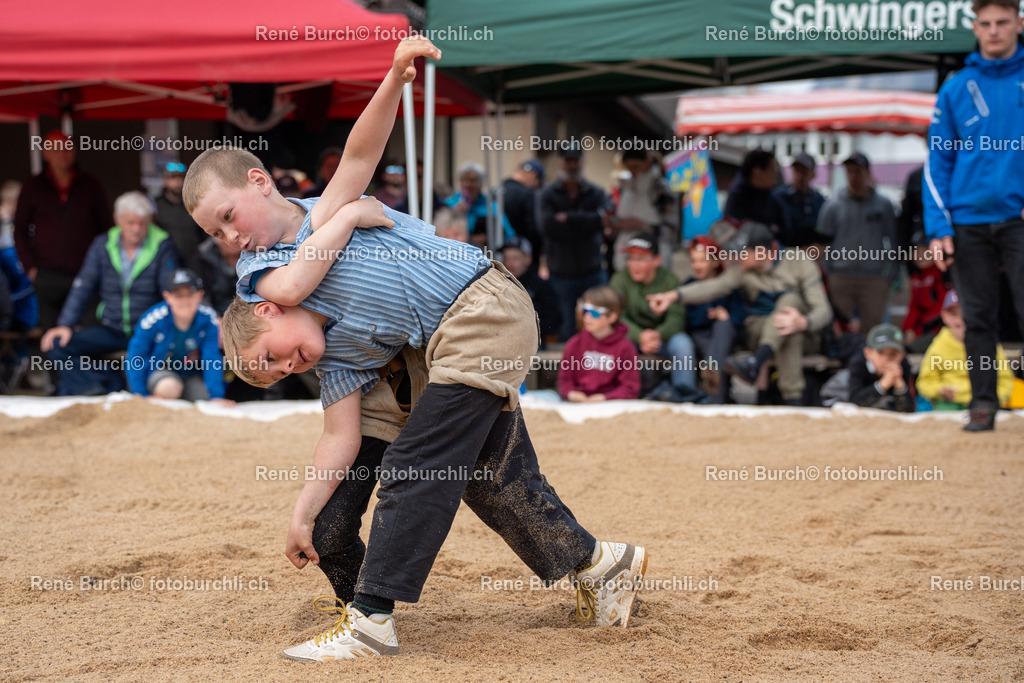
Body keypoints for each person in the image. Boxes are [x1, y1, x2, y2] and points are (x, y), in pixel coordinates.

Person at [185, 37, 647, 661]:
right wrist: (304, 513)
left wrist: (395, 79)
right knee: (487, 477)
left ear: (260, 182)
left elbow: (360, 149)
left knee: (415, 467)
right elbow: (335, 431)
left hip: (480, 308)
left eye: (228, 217)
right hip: (436, 344)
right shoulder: (270, 276)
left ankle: (371, 622)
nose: (230, 237)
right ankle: (601, 566)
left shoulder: (321, 212)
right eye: (216, 233)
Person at [923, 0, 1024, 432]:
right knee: (977, 317)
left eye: (1003, 22)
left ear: (1019, 23)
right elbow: (936, 161)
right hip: (967, 222)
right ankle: (983, 402)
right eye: (985, 23)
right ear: (975, 28)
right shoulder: (955, 88)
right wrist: (938, 226)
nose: (994, 30)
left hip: (1018, 219)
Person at [647, 222, 832, 406]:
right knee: (786, 326)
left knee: (790, 305)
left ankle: (757, 362)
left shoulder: (798, 261)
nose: (736, 257)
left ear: (762, 252)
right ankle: (793, 401)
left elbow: (823, 311)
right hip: (758, 333)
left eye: (742, 252)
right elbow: (713, 287)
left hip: (805, 332)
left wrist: (803, 323)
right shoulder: (742, 270)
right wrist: (673, 296)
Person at [41, 191, 179, 396]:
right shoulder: (102, 244)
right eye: (130, 223)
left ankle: (107, 385)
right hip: (111, 328)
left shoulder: (162, 245)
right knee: (57, 344)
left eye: (142, 223)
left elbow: (169, 290)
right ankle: (95, 388)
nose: (137, 229)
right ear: (117, 220)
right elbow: (84, 286)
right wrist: (65, 324)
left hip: (147, 330)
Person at [14, 131, 111, 330]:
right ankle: (55, 363)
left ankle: (84, 363)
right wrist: (31, 268)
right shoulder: (33, 186)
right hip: (47, 274)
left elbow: (106, 229)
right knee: (50, 333)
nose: (62, 153)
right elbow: (20, 231)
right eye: (56, 149)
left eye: (67, 148)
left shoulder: (90, 185)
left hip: (86, 272)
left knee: (88, 330)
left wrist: (101, 265)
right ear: (45, 154)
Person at [816, 152, 899, 334]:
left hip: (874, 276)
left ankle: (870, 362)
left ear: (867, 173)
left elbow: (893, 240)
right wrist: (827, 272)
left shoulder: (883, 205)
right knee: (839, 328)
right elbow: (823, 243)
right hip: (841, 275)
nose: (853, 177)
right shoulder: (833, 206)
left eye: (858, 172)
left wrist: (891, 273)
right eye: (849, 172)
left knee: (873, 330)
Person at [608, 234, 696, 400]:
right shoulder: (619, 279)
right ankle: (625, 394)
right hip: (631, 338)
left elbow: (677, 317)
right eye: (631, 259)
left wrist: (657, 335)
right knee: (621, 344)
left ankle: (686, 395)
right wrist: (639, 335)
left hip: (662, 339)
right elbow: (617, 317)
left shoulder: (669, 280)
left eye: (641, 259)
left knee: (683, 343)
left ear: (657, 260)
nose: (633, 264)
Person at [126, 268, 231, 403]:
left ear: (200, 295)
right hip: (161, 373)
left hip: (191, 374)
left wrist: (217, 396)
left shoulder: (208, 318)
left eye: (190, 294)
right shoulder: (153, 319)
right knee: (169, 388)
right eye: (178, 295)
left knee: (205, 398)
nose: (185, 300)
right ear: (167, 297)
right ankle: (157, 407)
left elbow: (211, 358)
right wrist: (139, 394)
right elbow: (136, 356)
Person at [540, 142, 610, 341]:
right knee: (567, 327)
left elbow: (603, 220)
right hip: (561, 271)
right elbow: (547, 227)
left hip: (592, 268)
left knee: (598, 323)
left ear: (582, 162)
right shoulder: (547, 193)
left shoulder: (596, 192)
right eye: (568, 160)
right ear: (559, 162)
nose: (572, 165)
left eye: (575, 160)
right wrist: (586, 221)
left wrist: (568, 219)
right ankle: (568, 369)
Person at [917, 290, 1015, 410]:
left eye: (965, 312)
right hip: (950, 404)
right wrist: (939, 390)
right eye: (953, 313)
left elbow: (1005, 380)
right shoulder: (938, 346)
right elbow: (925, 382)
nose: (959, 319)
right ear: (944, 317)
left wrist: (994, 397)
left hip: (985, 403)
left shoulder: (988, 343)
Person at [680, 236, 746, 402]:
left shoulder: (728, 284)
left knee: (722, 326)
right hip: (701, 336)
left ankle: (712, 394)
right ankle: (717, 396)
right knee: (714, 350)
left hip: (727, 337)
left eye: (702, 260)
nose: (697, 266)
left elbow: (740, 316)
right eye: (694, 261)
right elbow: (687, 320)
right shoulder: (689, 285)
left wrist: (724, 315)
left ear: (716, 262)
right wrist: (706, 315)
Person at [557, 285, 640, 402]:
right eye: (585, 310)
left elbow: (630, 387)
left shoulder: (625, 347)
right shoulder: (574, 343)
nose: (587, 317)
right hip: (578, 405)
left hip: (611, 405)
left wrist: (605, 398)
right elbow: (565, 381)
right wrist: (571, 393)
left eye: (594, 313)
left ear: (612, 317)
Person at [608, 150, 675, 271]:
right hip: (625, 256)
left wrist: (641, 225)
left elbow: (670, 229)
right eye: (628, 167)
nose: (633, 171)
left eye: (635, 166)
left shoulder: (659, 189)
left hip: (652, 257)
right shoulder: (626, 186)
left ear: (647, 162)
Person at [497, 236, 561, 345]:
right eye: (507, 258)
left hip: (532, 343)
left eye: (516, 258)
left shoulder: (541, 286)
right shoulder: (497, 283)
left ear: (528, 259)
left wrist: (531, 329)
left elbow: (554, 319)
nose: (510, 263)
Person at [846, 323, 915, 413]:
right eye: (881, 352)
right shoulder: (858, 364)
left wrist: (900, 385)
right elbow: (854, 402)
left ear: (901, 355)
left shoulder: (903, 365)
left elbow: (908, 409)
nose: (887, 358)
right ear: (868, 353)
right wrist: (883, 384)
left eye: (893, 354)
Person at [723, 148, 789, 242]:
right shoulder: (737, 198)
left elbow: (786, 232)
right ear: (757, 172)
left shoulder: (774, 198)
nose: (776, 175)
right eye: (772, 170)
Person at [445, 161, 514, 246]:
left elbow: (509, 235)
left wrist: (488, 237)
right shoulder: (449, 203)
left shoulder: (491, 207)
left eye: (472, 181)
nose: (467, 185)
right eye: (464, 180)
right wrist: (455, 212)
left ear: (481, 183)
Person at [902, 238, 952, 354]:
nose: (920, 256)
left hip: (937, 327)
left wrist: (919, 330)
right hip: (921, 328)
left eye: (924, 252)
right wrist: (908, 328)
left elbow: (943, 307)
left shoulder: (942, 274)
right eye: (916, 252)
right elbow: (914, 306)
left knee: (911, 349)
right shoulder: (916, 277)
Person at [155, 161, 205, 271]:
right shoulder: (156, 205)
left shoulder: (194, 204)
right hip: (165, 260)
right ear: (165, 180)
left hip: (194, 261)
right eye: (173, 177)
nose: (178, 181)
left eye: (181, 177)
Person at [772, 152, 825, 247]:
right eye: (797, 171)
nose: (799, 176)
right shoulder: (779, 197)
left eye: (804, 172)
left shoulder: (819, 201)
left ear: (813, 174)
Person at [501, 159, 544, 261]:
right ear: (534, 176)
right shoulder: (528, 194)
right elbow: (532, 228)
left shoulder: (496, 191)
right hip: (521, 258)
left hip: (496, 256)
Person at [195, 236, 242, 317]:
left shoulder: (256, 257)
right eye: (225, 240)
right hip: (218, 317)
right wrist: (215, 318)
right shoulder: (204, 260)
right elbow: (202, 296)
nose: (231, 243)